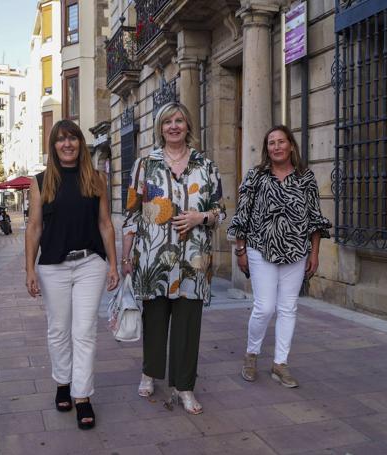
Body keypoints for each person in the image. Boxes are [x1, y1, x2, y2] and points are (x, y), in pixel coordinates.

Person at [121, 102, 226, 415]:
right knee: (154, 320)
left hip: (193, 260)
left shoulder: (205, 166)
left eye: (179, 120)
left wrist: (200, 217)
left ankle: (185, 386)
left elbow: (220, 212)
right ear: (160, 127)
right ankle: (149, 371)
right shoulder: (144, 165)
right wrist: (125, 257)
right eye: (168, 121)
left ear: (187, 125)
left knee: (188, 324)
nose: (174, 126)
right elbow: (131, 213)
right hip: (152, 257)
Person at [25, 119, 119, 430]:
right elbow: (34, 228)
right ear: (53, 146)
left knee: (85, 331)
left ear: (81, 143)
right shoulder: (40, 182)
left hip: (90, 263)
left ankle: (82, 396)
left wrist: (114, 265)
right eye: (61, 140)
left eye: (73, 138)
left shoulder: (95, 179)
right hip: (53, 266)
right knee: (58, 329)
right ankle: (62, 382)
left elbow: (105, 224)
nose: (68, 144)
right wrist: (30, 270)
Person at [227, 124, 331, 388]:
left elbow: (314, 220)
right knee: (264, 307)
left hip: (296, 251)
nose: (276, 147)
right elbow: (242, 216)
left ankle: (280, 363)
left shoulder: (305, 178)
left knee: (288, 308)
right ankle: (251, 354)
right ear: (267, 149)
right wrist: (241, 250)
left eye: (281, 142)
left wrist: (315, 253)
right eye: (271, 143)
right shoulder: (256, 176)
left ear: (291, 145)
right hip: (261, 249)